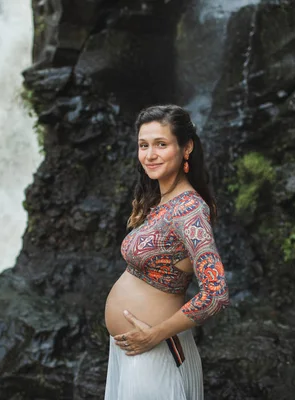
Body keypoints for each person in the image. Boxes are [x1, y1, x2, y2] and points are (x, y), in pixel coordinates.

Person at [103, 105, 230, 400]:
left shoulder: (189, 210)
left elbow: (216, 293)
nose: (150, 154)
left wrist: (154, 335)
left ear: (186, 148)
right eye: (143, 145)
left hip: (156, 351)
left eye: (161, 144)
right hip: (133, 349)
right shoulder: (160, 201)